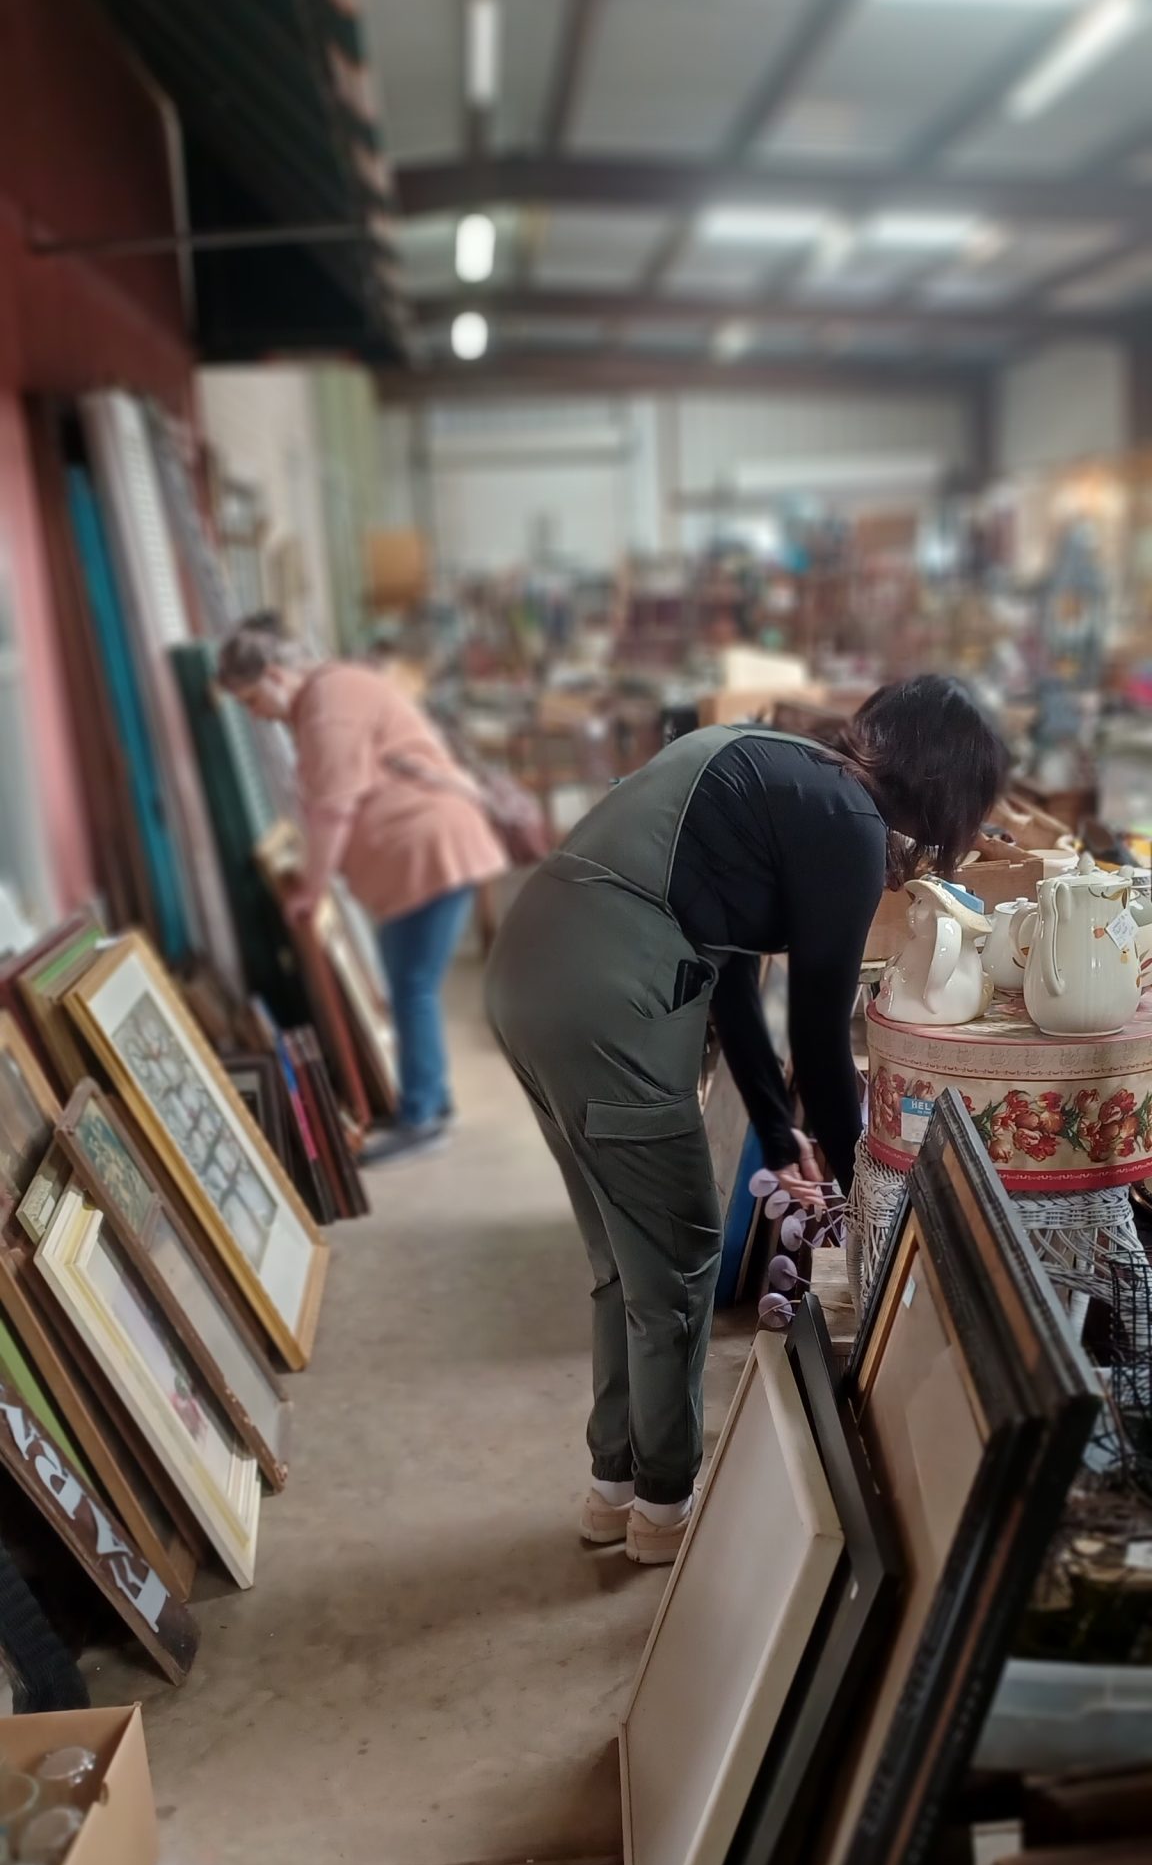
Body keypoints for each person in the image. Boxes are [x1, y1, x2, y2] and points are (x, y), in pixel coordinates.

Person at [486, 676, 1007, 1567]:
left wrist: (776, 1129)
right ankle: (664, 1508)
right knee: (683, 1256)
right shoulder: (848, 826)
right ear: (949, 787)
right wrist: (868, 1206)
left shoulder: (772, 762)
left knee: (626, 1255)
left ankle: (612, 1486)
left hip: (530, 972)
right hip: (608, 997)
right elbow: (819, 1035)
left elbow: (726, 967)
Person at [216, 616, 507, 1160]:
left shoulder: (328, 703)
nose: (255, 714)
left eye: (253, 699)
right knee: (410, 984)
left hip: (428, 851)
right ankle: (430, 1102)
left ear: (277, 675)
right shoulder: (330, 693)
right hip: (425, 853)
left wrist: (312, 887)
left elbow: (333, 807)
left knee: (411, 985)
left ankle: (423, 1116)